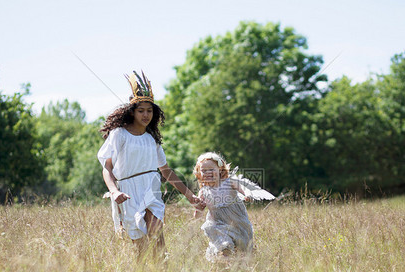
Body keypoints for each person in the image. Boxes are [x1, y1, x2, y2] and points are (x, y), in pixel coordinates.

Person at [97, 71, 203, 258]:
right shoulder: (120, 134)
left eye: (149, 110)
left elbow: (167, 172)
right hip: (128, 191)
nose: (146, 114)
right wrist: (114, 191)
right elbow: (108, 168)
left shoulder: (151, 138)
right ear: (132, 112)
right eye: (141, 110)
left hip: (150, 188)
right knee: (140, 248)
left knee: (156, 234)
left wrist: (190, 196)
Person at [193, 152, 275, 260]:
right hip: (217, 224)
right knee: (224, 245)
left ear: (220, 170)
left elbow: (242, 188)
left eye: (211, 169)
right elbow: (197, 216)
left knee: (243, 250)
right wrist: (199, 207)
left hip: (237, 221)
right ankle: (224, 258)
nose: (207, 173)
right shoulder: (203, 192)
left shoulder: (229, 182)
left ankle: (238, 265)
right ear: (199, 173)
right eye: (203, 171)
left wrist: (248, 194)